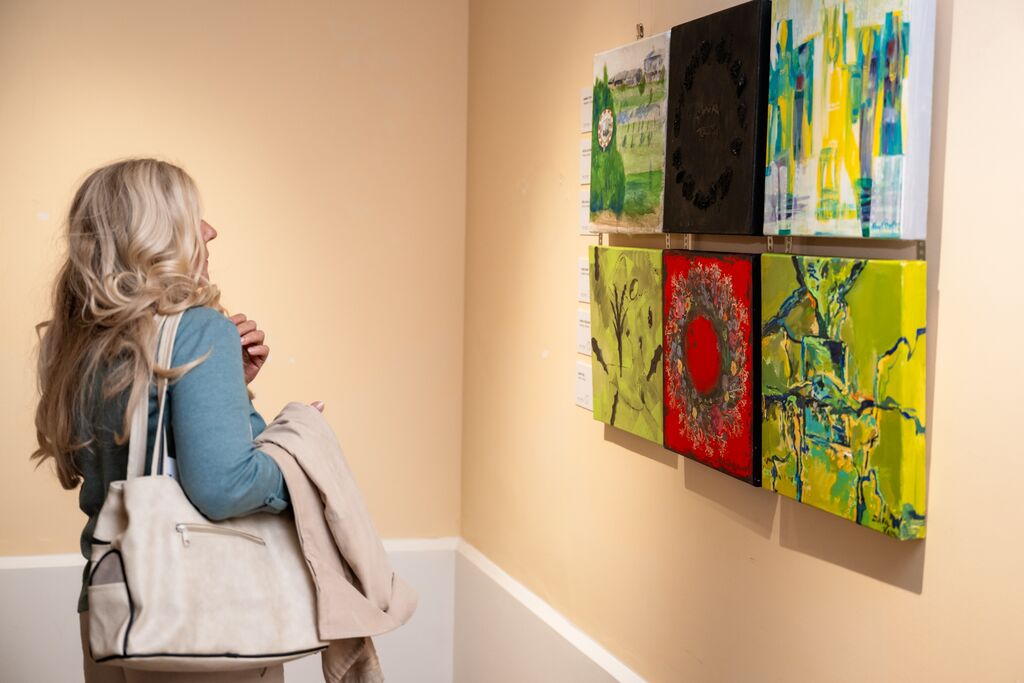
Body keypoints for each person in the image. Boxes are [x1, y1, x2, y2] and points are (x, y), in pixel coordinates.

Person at [31, 158, 313, 682]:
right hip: (198, 617)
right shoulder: (200, 331)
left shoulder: (78, 345)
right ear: (154, 236)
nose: (209, 232)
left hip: (111, 612)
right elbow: (225, 487)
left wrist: (230, 386)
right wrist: (301, 459)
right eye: (192, 217)